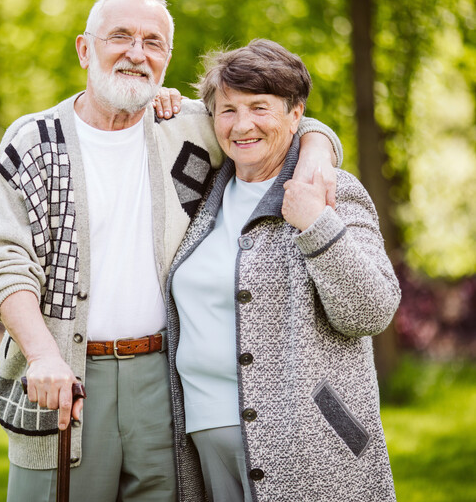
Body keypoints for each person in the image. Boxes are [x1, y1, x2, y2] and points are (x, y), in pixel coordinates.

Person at [0, 0, 343, 501]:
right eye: (120, 36)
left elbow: (284, 122)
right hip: (63, 381)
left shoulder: (189, 128)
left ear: (166, 59)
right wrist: (42, 356)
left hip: (162, 382)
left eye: (153, 42)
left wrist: (321, 152)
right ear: (84, 48)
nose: (136, 53)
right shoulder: (33, 140)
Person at [167, 39, 400, 502]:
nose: (242, 124)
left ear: (296, 115)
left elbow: (372, 310)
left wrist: (317, 224)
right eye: (228, 110)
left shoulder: (330, 190)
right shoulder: (203, 190)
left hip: (306, 444)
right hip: (204, 438)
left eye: (260, 107)